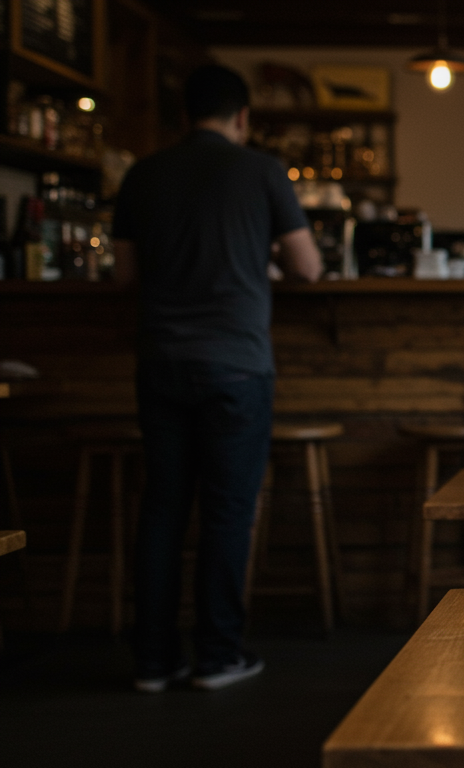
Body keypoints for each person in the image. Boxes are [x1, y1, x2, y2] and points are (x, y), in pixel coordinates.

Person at [112, 64, 322, 692]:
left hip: (161, 362)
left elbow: (123, 274)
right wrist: (261, 257)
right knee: (227, 513)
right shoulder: (262, 171)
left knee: (163, 508)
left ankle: (153, 661)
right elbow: (308, 267)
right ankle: (218, 655)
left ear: (183, 116)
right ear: (243, 117)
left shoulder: (142, 174)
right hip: (236, 364)